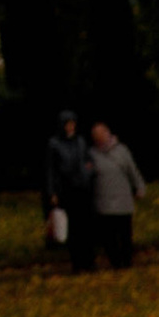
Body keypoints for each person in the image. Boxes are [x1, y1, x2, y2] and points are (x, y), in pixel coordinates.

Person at [87, 119, 146, 270]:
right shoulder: (91, 154)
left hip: (123, 200)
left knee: (125, 234)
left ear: (108, 133)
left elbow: (132, 170)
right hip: (103, 202)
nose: (99, 138)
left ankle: (127, 262)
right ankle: (116, 262)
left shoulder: (122, 150)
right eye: (96, 136)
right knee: (109, 236)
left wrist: (139, 187)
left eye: (101, 134)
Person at [44, 110, 95, 272]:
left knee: (86, 225)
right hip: (67, 189)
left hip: (83, 188)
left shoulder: (80, 141)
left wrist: (88, 171)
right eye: (68, 124)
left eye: (73, 123)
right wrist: (52, 192)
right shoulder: (54, 144)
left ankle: (89, 261)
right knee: (73, 227)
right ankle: (78, 262)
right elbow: (51, 170)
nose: (71, 127)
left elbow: (88, 161)